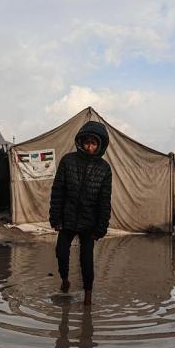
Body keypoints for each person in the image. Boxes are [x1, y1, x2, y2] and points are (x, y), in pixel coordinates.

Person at [49, 120, 112, 306]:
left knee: (87, 261)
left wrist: (101, 228)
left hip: (89, 223)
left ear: (100, 145)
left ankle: (88, 297)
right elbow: (58, 191)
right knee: (61, 253)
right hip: (67, 219)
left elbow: (104, 201)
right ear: (81, 142)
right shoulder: (68, 161)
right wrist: (55, 218)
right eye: (87, 143)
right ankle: (65, 280)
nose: (90, 147)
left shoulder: (104, 168)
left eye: (94, 144)